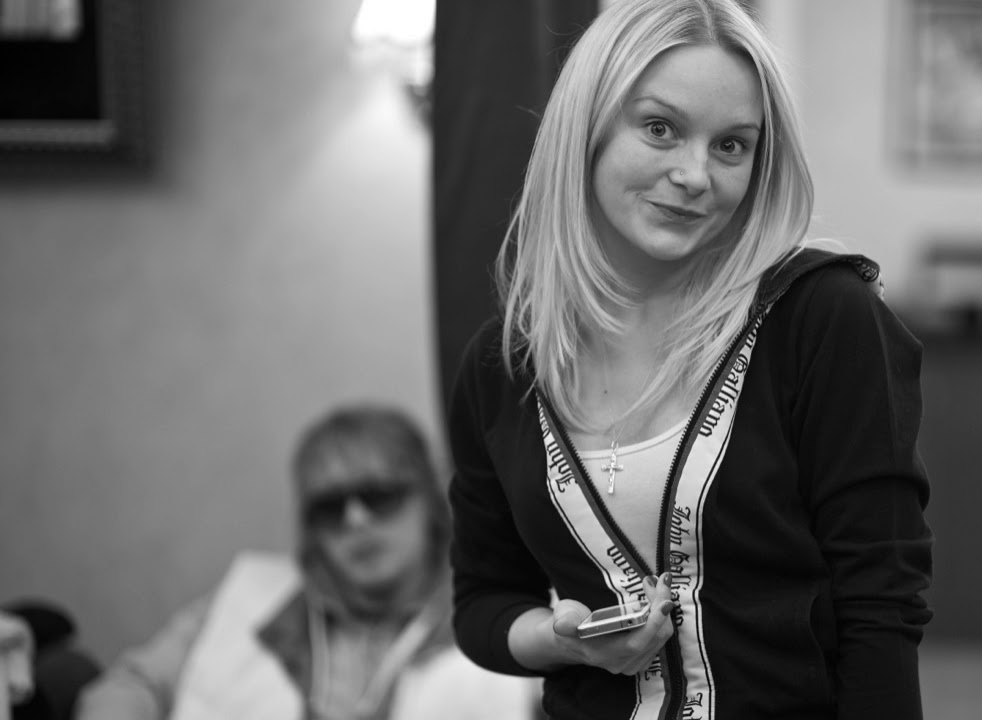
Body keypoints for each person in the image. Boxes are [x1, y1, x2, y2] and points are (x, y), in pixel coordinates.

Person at [445, 1, 933, 719]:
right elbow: (484, 603)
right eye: (660, 128)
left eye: (731, 145)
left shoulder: (824, 320)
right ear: (586, 128)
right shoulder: (503, 366)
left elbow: (881, 608)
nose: (696, 174)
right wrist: (564, 641)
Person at [75, 404, 537, 720]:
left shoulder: (512, 615)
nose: (356, 520)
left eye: (378, 495)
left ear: (432, 501)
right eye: (330, 507)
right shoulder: (245, 598)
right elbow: (131, 685)